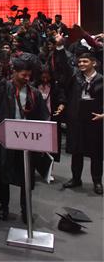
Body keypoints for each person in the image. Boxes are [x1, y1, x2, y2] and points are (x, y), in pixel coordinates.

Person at [0, 58, 49, 222]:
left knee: (27, 176)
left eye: (29, 76)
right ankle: (4, 206)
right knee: (3, 174)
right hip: (7, 136)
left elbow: (43, 116)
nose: (27, 78)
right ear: (14, 72)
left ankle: (26, 210)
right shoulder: (4, 88)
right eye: (24, 75)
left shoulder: (34, 93)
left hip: (27, 139)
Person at [54, 35, 103, 195]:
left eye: (85, 61)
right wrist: (60, 47)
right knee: (76, 151)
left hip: (95, 118)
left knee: (96, 153)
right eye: (80, 61)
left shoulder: (101, 80)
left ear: (94, 63)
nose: (81, 64)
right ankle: (76, 178)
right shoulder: (75, 76)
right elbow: (64, 64)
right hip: (76, 118)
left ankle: (97, 181)